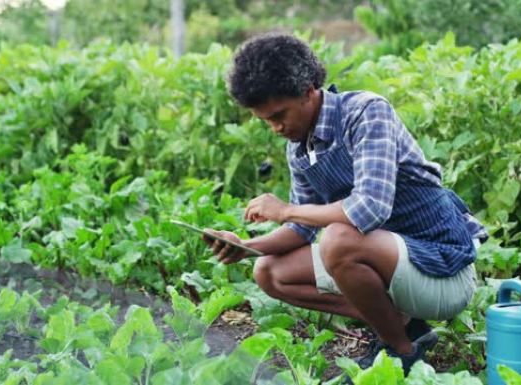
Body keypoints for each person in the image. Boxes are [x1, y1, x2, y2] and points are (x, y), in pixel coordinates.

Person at [201, 33, 488, 374]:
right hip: (394, 265)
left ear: (308, 90)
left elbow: (369, 209)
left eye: (280, 114)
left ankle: (401, 351)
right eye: (266, 120)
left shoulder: (366, 112)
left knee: (337, 239)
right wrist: (246, 246)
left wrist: (286, 208)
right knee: (268, 272)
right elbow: (300, 230)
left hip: (443, 269)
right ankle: (402, 327)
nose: (276, 127)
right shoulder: (299, 147)